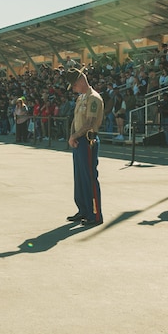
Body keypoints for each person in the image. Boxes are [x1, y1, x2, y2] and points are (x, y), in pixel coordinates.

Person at [65, 68, 105, 226]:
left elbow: (89, 123)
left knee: (89, 178)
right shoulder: (81, 98)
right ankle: (83, 209)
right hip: (78, 142)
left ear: (80, 81)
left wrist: (74, 136)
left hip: (88, 141)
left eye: (74, 86)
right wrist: (72, 136)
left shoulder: (93, 98)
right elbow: (76, 120)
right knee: (79, 178)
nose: (74, 89)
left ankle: (95, 214)